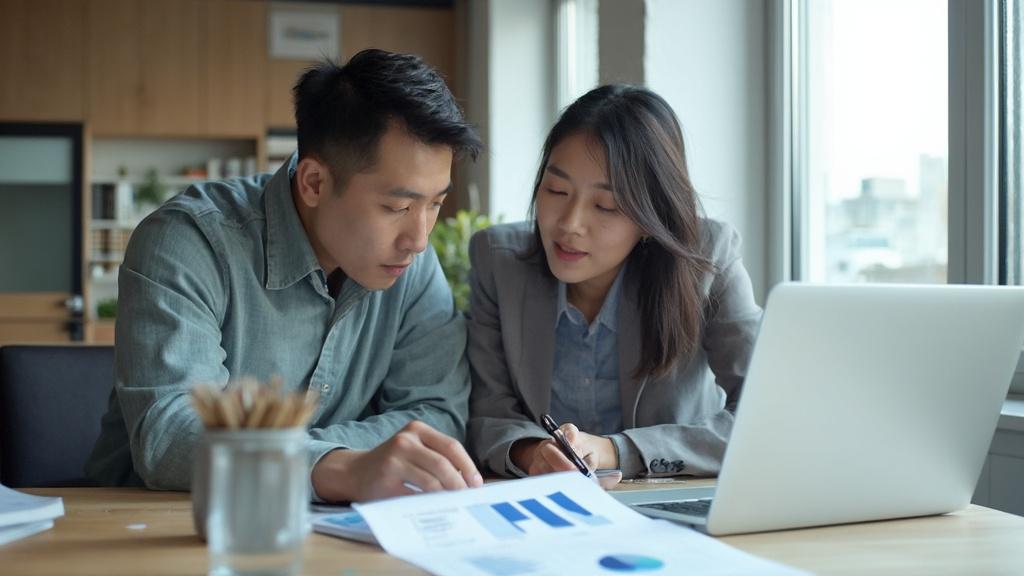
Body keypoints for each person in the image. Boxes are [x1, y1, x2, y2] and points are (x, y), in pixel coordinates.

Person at [86, 49, 485, 502]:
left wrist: (325, 464)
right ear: (314, 182)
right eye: (397, 207)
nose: (418, 236)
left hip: (334, 526)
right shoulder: (187, 242)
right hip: (152, 524)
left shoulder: (413, 263)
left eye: (435, 204)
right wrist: (337, 467)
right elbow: (172, 434)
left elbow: (436, 414)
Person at [467, 85, 763, 481]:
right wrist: (532, 452)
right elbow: (487, 412)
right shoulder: (498, 260)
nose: (569, 224)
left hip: (668, 500)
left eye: (605, 206)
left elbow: (763, 416)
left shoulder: (707, 258)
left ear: (649, 217)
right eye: (556, 190)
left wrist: (613, 450)